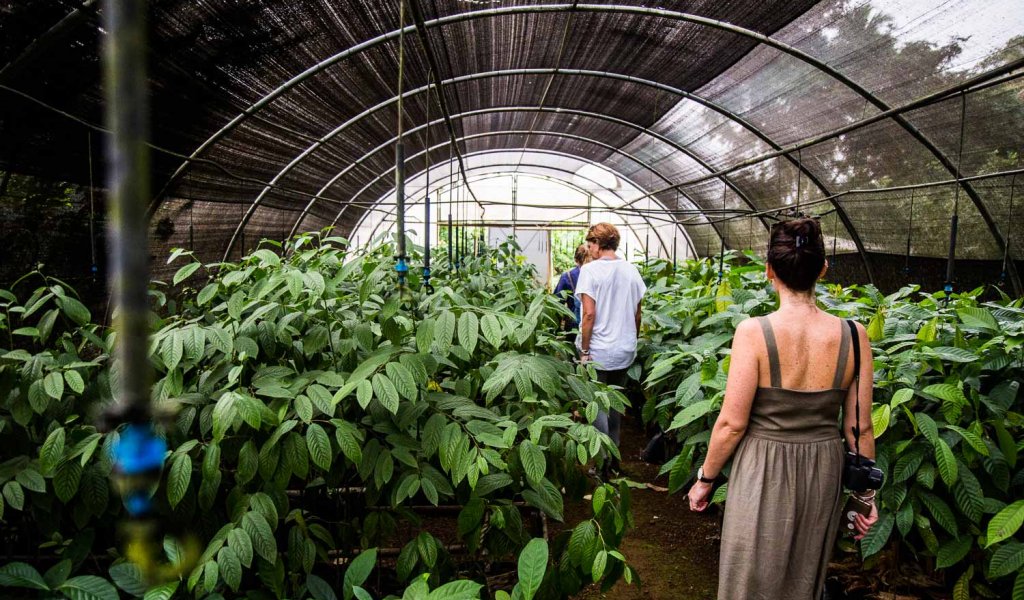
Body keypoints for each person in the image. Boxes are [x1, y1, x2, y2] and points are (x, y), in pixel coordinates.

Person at [687, 217, 879, 600]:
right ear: (822, 268)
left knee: (749, 576)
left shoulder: (754, 332)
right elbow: (860, 428)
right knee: (803, 576)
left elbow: (731, 424)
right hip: (823, 469)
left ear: (768, 270)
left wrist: (705, 480)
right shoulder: (855, 336)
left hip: (764, 466)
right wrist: (865, 500)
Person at [575, 223, 646, 461]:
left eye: (590, 244)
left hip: (598, 351)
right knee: (615, 402)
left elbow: (589, 315)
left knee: (597, 404)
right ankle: (614, 453)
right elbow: (638, 314)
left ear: (597, 244)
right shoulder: (631, 270)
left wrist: (584, 350)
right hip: (624, 349)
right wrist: (630, 340)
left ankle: (602, 459)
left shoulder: (590, 271)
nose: (589, 249)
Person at [553, 244, 589, 337]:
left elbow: (557, 304)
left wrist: (556, 330)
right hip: (594, 325)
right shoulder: (598, 275)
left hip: (573, 326)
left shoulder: (567, 276)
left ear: (576, 260)